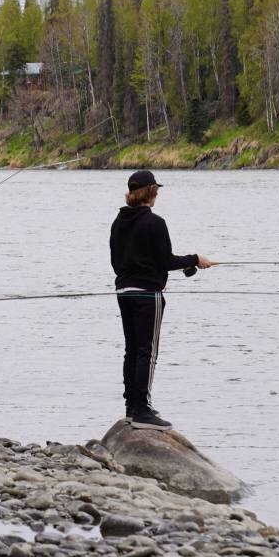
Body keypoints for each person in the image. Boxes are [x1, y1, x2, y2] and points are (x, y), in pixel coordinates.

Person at [110, 170, 214, 431]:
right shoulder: (155, 222)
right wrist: (194, 259)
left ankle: (132, 407)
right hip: (147, 295)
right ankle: (142, 410)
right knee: (147, 350)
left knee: (132, 349)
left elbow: (116, 262)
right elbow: (166, 261)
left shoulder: (118, 221)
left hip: (123, 292)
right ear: (151, 191)